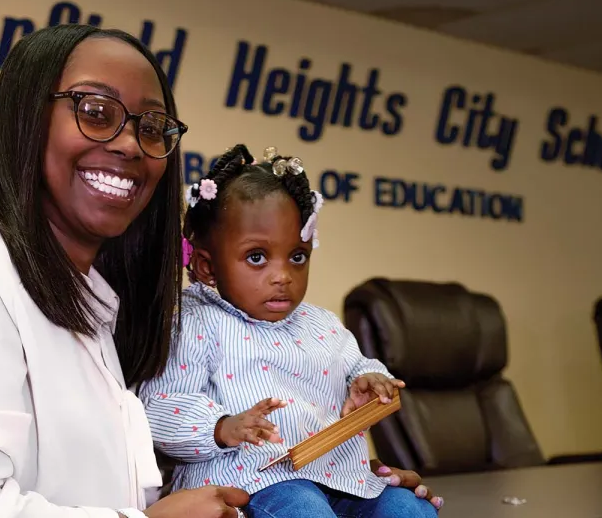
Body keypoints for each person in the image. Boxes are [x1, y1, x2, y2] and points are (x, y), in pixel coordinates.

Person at [0, 24, 439, 518]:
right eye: (95, 111)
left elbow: (109, 491)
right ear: (25, 118)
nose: (128, 144)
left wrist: (346, 490)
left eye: (151, 127)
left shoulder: (96, 303)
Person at [139, 144, 443, 518]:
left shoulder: (322, 322)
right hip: (249, 483)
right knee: (302, 508)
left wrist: (368, 378)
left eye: (297, 256)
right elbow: (159, 408)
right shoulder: (195, 321)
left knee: (407, 507)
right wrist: (224, 427)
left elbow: (357, 365)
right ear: (206, 266)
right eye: (257, 257)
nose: (282, 275)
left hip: (339, 479)